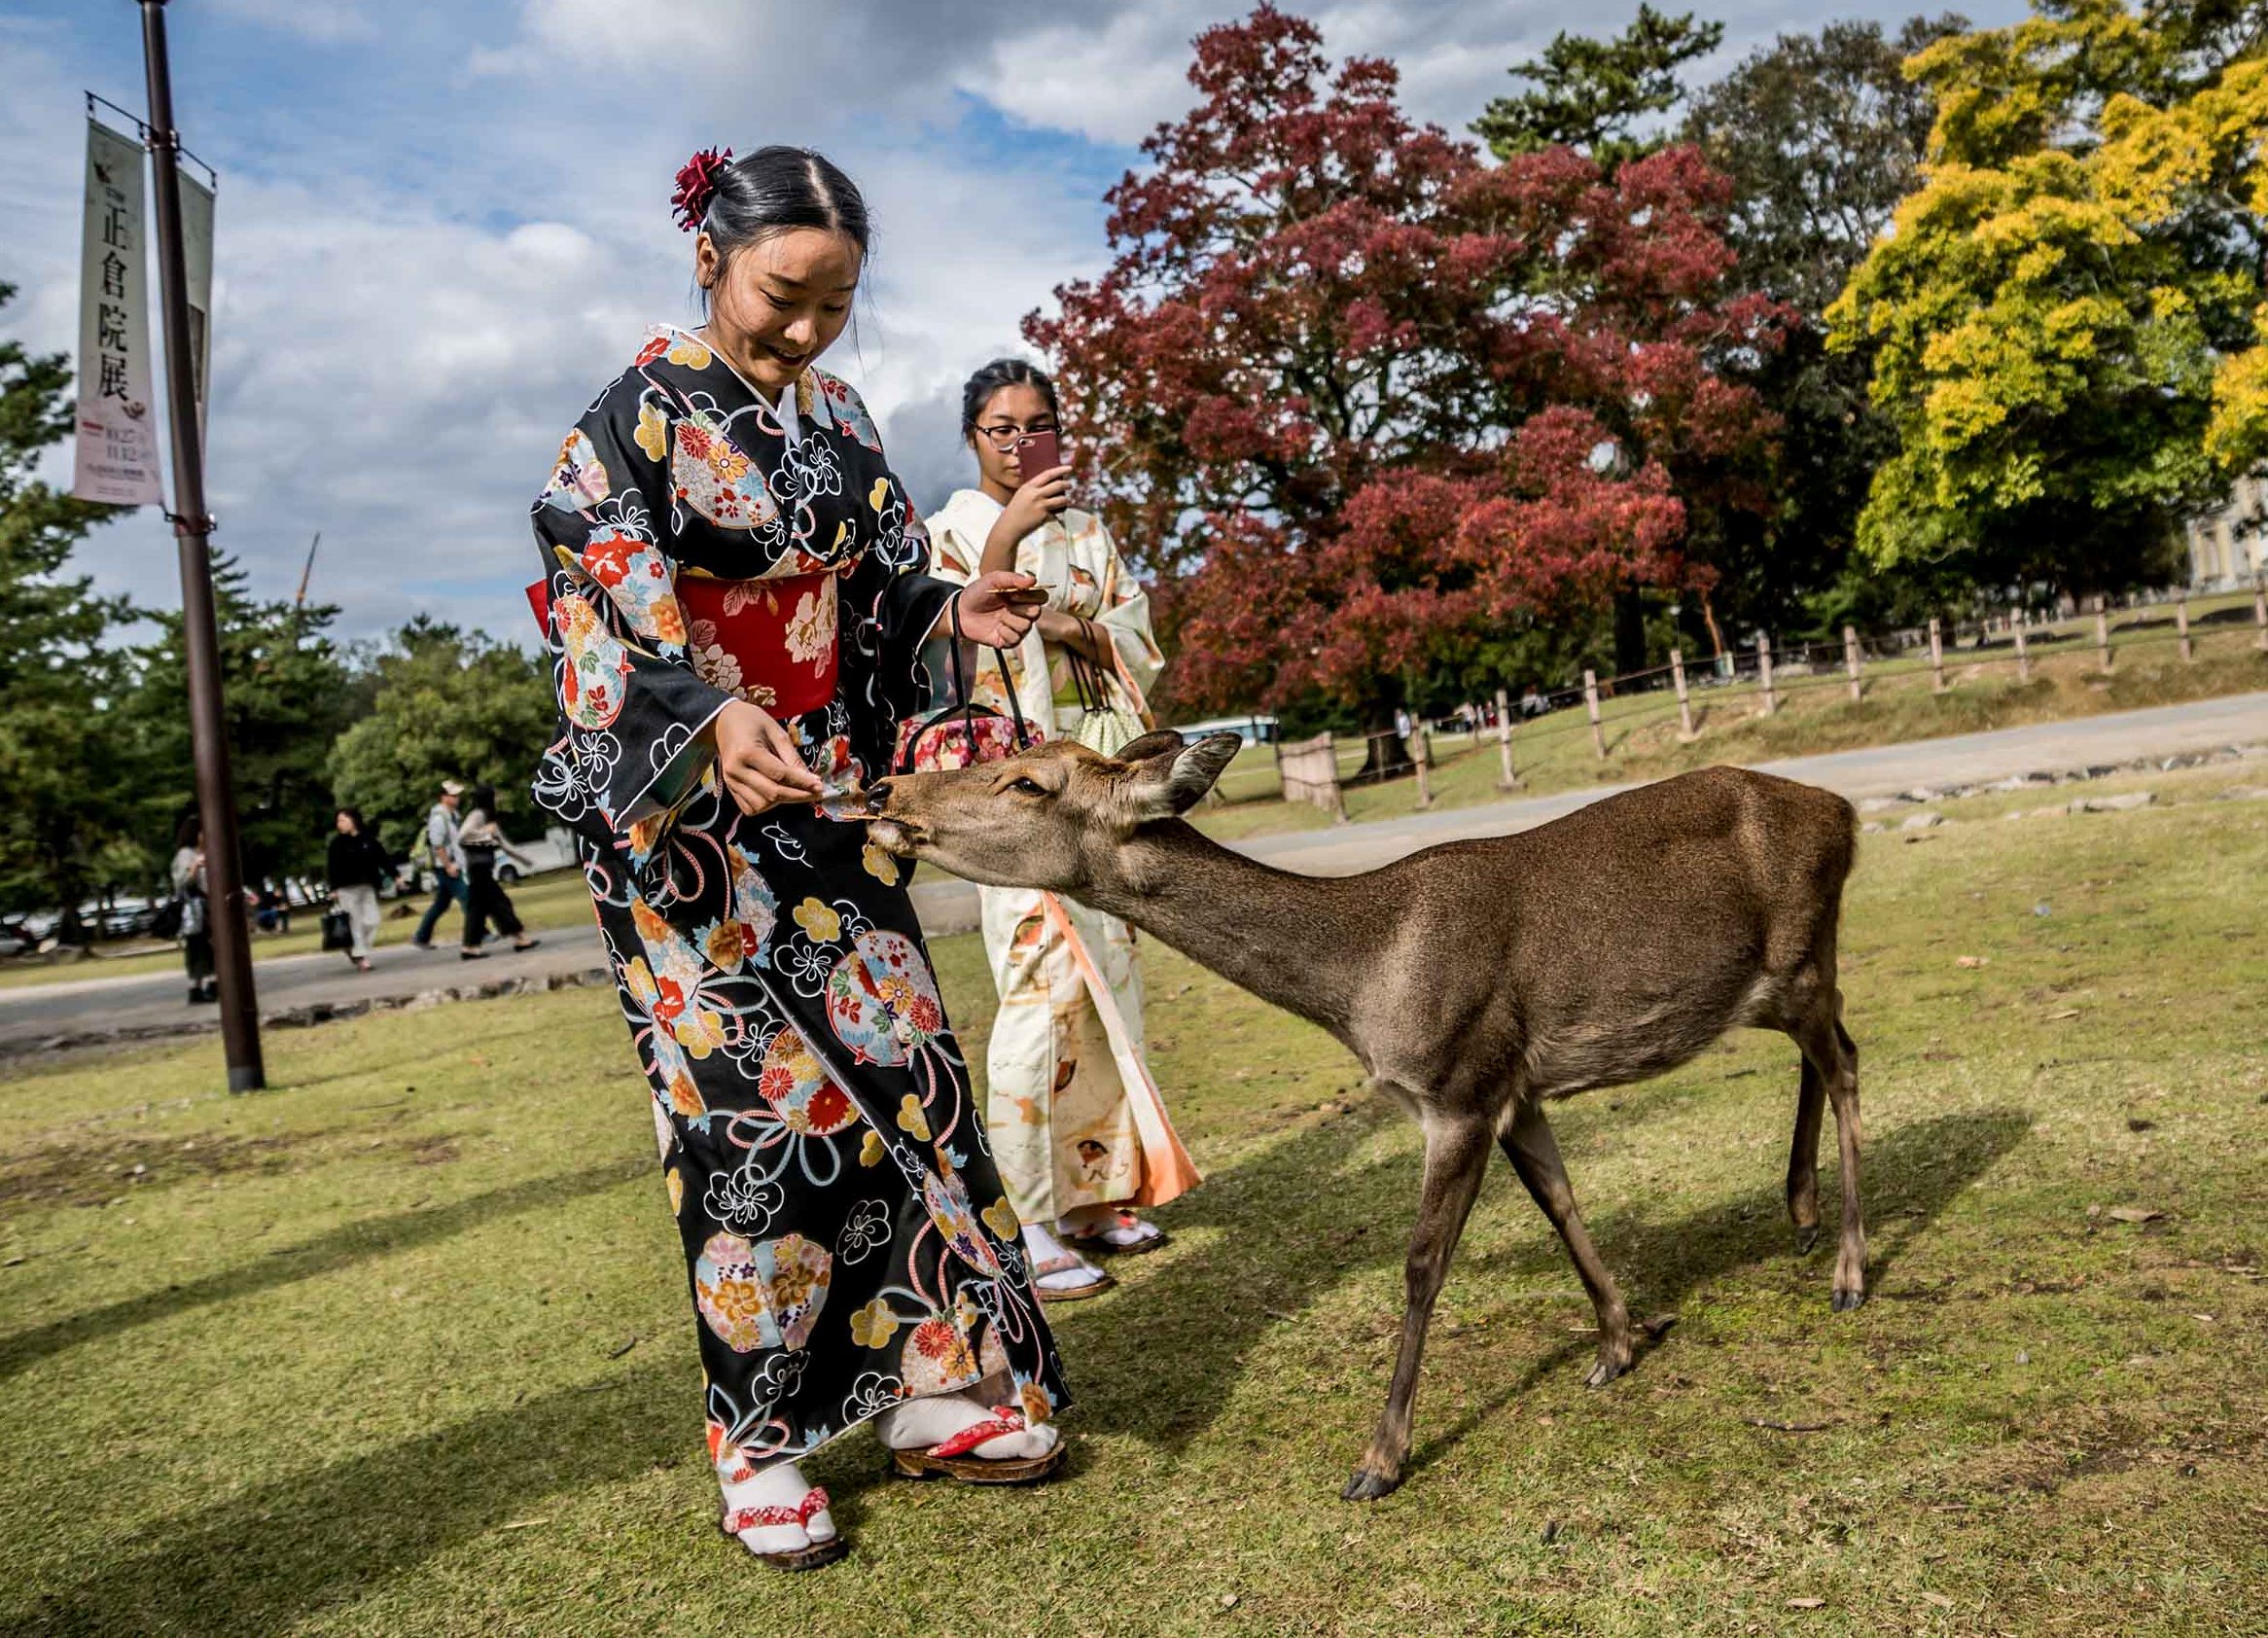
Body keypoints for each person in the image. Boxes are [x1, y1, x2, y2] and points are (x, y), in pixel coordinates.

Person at [527, 144, 1066, 1571]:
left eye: (836, 304)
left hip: (822, 792)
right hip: (687, 828)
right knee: (747, 1123)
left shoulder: (836, 414)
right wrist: (707, 708)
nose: (809, 332)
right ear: (710, 258)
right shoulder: (629, 420)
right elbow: (596, 606)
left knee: (907, 1072)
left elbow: (884, 592)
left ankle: (936, 1384)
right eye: (785, 297)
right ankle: (757, 1444)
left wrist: (961, 613)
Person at [923, 359, 1198, 1302]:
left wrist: (1081, 627)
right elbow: (951, 642)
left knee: (1110, 983)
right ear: (972, 436)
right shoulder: (953, 528)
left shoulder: (1089, 533)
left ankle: (1092, 1194)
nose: (1018, 442)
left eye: (1037, 424)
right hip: (1017, 805)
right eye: (1000, 427)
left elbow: (1134, 637)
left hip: (1100, 796)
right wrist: (1009, 538)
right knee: (1038, 990)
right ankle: (1022, 1219)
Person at [455, 784, 540, 960]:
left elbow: (503, 843)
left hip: (481, 869)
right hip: (478, 870)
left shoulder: (488, 817)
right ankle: (519, 938)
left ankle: (470, 947)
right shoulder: (477, 815)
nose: (498, 799)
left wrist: (527, 861)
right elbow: (462, 835)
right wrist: (486, 834)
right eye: (495, 795)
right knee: (500, 903)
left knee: (477, 909)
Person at [325, 807, 390, 972]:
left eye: (344, 820)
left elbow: (382, 858)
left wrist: (396, 875)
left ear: (354, 820)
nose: (340, 824)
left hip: (367, 885)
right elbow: (332, 867)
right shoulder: (337, 844)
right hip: (346, 888)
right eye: (338, 821)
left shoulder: (367, 839)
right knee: (355, 923)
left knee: (373, 920)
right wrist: (332, 888)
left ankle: (355, 949)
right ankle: (361, 957)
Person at [411, 779, 467, 949]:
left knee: (441, 903)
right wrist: (448, 865)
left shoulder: (453, 815)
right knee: (467, 897)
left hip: (452, 864)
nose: (457, 797)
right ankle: (481, 931)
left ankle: (421, 936)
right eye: (453, 795)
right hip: (444, 866)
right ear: (444, 797)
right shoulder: (438, 817)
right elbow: (437, 845)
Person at [169, 812, 215, 1005]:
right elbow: (181, 883)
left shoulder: (202, 853)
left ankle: (207, 985)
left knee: (207, 947)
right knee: (199, 948)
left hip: (206, 907)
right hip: (195, 909)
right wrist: (195, 868)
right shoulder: (186, 855)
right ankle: (199, 987)